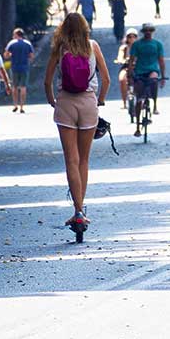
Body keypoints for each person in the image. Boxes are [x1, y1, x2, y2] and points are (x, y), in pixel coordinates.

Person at [44, 12, 110, 232]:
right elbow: (107, 80)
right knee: (84, 160)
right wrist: (99, 99)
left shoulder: (60, 48)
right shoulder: (93, 46)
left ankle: (78, 210)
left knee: (71, 159)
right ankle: (82, 208)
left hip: (65, 105)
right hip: (88, 105)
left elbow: (47, 81)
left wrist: (53, 101)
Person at [129, 22, 166, 118]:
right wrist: (130, 75)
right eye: (146, 30)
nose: (148, 32)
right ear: (143, 32)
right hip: (140, 71)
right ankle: (137, 125)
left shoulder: (157, 44)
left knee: (154, 80)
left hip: (152, 70)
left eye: (150, 30)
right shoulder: (136, 44)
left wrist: (162, 76)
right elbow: (131, 60)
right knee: (139, 98)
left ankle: (155, 104)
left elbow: (161, 61)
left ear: (153, 31)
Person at [3, 28, 34, 113]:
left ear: (17, 35)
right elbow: (31, 56)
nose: (13, 36)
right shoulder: (28, 44)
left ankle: (15, 105)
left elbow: (6, 55)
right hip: (24, 67)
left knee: (15, 87)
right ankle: (22, 107)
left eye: (14, 34)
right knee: (23, 87)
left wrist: (11, 55)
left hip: (14, 68)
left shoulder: (11, 43)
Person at [115, 29, 137, 109]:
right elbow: (120, 57)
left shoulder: (139, 46)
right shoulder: (123, 48)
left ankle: (140, 100)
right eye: (129, 37)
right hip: (126, 67)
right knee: (122, 79)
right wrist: (121, 60)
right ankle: (124, 102)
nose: (131, 39)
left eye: (134, 37)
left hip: (137, 68)